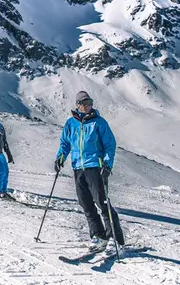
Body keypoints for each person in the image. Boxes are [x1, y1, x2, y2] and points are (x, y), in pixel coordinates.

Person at [54, 91, 125, 252]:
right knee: (85, 203)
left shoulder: (99, 123)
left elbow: (109, 145)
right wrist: (60, 158)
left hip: (95, 166)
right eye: (84, 103)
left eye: (90, 103)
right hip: (78, 167)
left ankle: (115, 238)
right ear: (77, 105)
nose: (88, 106)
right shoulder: (70, 123)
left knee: (102, 202)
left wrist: (107, 164)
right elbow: (65, 143)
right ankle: (98, 236)